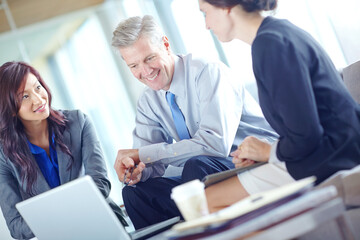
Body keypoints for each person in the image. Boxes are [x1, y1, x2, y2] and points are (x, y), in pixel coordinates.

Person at [111, 15, 278, 229]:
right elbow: (148, 161)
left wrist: (144, 155)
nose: (145, 72)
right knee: (136, 193)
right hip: (207, 171)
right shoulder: (148, 101)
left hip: (250, 161)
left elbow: (214, 145)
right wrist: (137, 170)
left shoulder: (207, 72)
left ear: (165, 44)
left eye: (149, 58)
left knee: (196, 166)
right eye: (134, 65)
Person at [198, 0, 360, 212]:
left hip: (333, 154)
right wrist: (265, 150)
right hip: (339, 144)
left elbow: (305, 136)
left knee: (207, 201)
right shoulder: (278, 32)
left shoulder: (269, 45)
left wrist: (267, 151)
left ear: (225, 6)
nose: (206, 25)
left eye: (205, 13)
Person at [0, 61, 127, 239]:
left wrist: (51, 216)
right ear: (10, 109)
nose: (38, 99)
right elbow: (16, 226)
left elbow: (101, 185)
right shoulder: (4, 155)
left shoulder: (78, 122)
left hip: (101, 222)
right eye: (25, 97)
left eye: (38, 87)